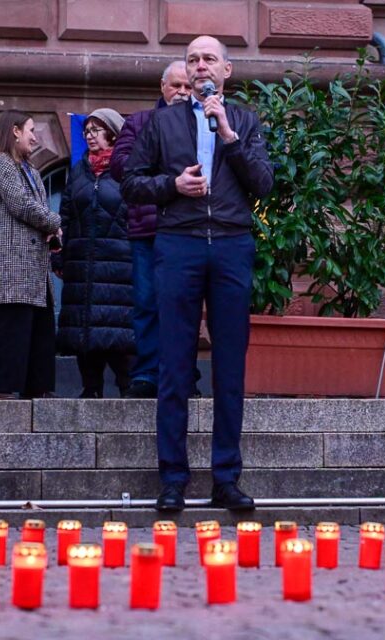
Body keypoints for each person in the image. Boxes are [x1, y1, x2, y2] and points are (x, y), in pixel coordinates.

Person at [122, 36, 274, 512]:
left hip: (231, 245)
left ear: (226, 70)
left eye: (209, 58)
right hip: (179, 243)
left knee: (230, 367)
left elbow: (264, 183)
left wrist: (228, 134)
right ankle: (173, 479)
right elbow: (129, 183)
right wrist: (173, 185)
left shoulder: (245, 121)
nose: (200, 65)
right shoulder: (162, 122)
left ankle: (226, 478)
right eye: (193, 59)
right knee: (173, 365)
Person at [111, 61, 193, 399]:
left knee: (183, 305)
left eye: (188, 87)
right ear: (162, 87)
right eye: (176, 86)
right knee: (146, 303)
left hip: (188, 229)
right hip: (148, 230)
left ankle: (183, 374)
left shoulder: (202, 123)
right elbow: (120, 165)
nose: (182, 93)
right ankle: (146, 373)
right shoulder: (140, 121)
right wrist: (168, 181)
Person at [0, 110, 62, 399]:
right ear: (14, 131)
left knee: (39, 326)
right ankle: (5, 389)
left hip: (35, 263)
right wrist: (55, 222)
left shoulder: (32, 169)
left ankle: (37, 388)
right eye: (30, 130)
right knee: (14, 325)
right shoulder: (0, 164)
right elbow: (22, 205)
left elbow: (32, 208)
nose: (34, 136)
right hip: (13, 261)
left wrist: (51, 232)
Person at [55, 108, 135, 398]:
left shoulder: (129, 169)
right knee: (84, 332)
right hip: (81, 266)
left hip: (119, 266)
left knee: (119, 332)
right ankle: (91, 390)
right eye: (86, 131)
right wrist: (58, 253)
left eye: (96, 130)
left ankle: (129, 389)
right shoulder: (79, 171)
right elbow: (64, 215)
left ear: (113, 133)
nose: (89, 135)